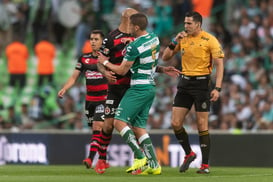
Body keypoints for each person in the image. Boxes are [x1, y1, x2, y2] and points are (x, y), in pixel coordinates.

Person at [95, 8, 179, 174]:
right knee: (139, 127)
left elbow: (121, 71)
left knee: (119, 122)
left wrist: (104, 63)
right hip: (150, 86)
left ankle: (140, 156)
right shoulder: (153, 38)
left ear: (135, 27)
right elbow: (151, 63)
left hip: (137, 87)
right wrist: (162, 69)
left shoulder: (134, 46)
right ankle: (155, 165)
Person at [162, 11, 224, 174]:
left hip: (202, 84)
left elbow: (220, 64)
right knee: (175, 123)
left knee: (202, 124)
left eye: (189, 23)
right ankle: (189, 153)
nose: (186, 26)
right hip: (184, 83)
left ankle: (205, 165)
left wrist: (217, 88)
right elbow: (165, 57)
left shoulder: (210, 40)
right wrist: (175, 40)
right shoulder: (182, 39)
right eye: (185, 23)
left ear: (198, 24)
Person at [58, 30, 108, 169]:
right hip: (89, 101)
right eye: (91, 39)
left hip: (104, 99)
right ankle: (103, 158)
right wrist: (65, 88)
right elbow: (74, 77)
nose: (93, 41)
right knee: (97, 131)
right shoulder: (83, 58)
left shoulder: (106, 58)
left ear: (102, 41)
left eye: (96, 39)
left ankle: (90, 159)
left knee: (98, 127)